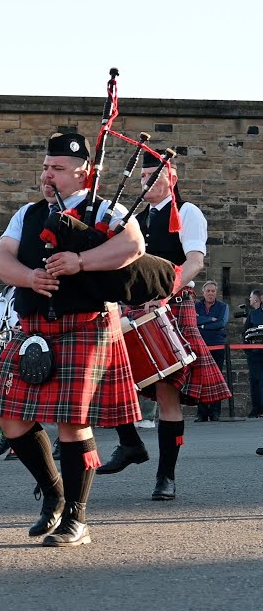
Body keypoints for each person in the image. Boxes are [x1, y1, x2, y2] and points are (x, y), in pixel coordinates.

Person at [0, 132, 145, 547]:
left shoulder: (107, 211)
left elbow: (133, 246)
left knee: (74, 423)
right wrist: (29, 277)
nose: (47, 175)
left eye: (57, 169)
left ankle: (77, 518)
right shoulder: (28, 213)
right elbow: (0, 259)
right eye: (45, 167)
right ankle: (54, 492)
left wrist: (80, 261)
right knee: (9, 417)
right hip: (35, 327)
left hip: (86, 323)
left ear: (84, 173)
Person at [96, 154, 230, 500]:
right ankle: (130, 444)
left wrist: (164, 295)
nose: (147, 182)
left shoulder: (187, 212)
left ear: (171, 177)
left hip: (171, 306)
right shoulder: (135, 220)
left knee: (168, 394)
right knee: (107, 377)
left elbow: (195, 261)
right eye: (142, 178)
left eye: (154, 176)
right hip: (132, 308)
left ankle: (165, 477)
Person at [193, 280, 230, 422]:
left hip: (217, 346)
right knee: (200, 379)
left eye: (213, 291)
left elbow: (220, 323)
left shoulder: (223, 307)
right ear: (203, 292)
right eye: (208, 291)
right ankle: (202, 413)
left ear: (216, 292)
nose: (210, 293)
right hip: (200, 346)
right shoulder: (196, 306)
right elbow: (193, 321)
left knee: (216, 379)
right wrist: (210, 320)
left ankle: (215, 412)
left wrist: (202, 324)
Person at [243, 288, 263, 418]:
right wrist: (248, 351)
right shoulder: (253, 314)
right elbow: (245, 333)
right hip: (255, 353)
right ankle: (257, 408)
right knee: (255, 380)